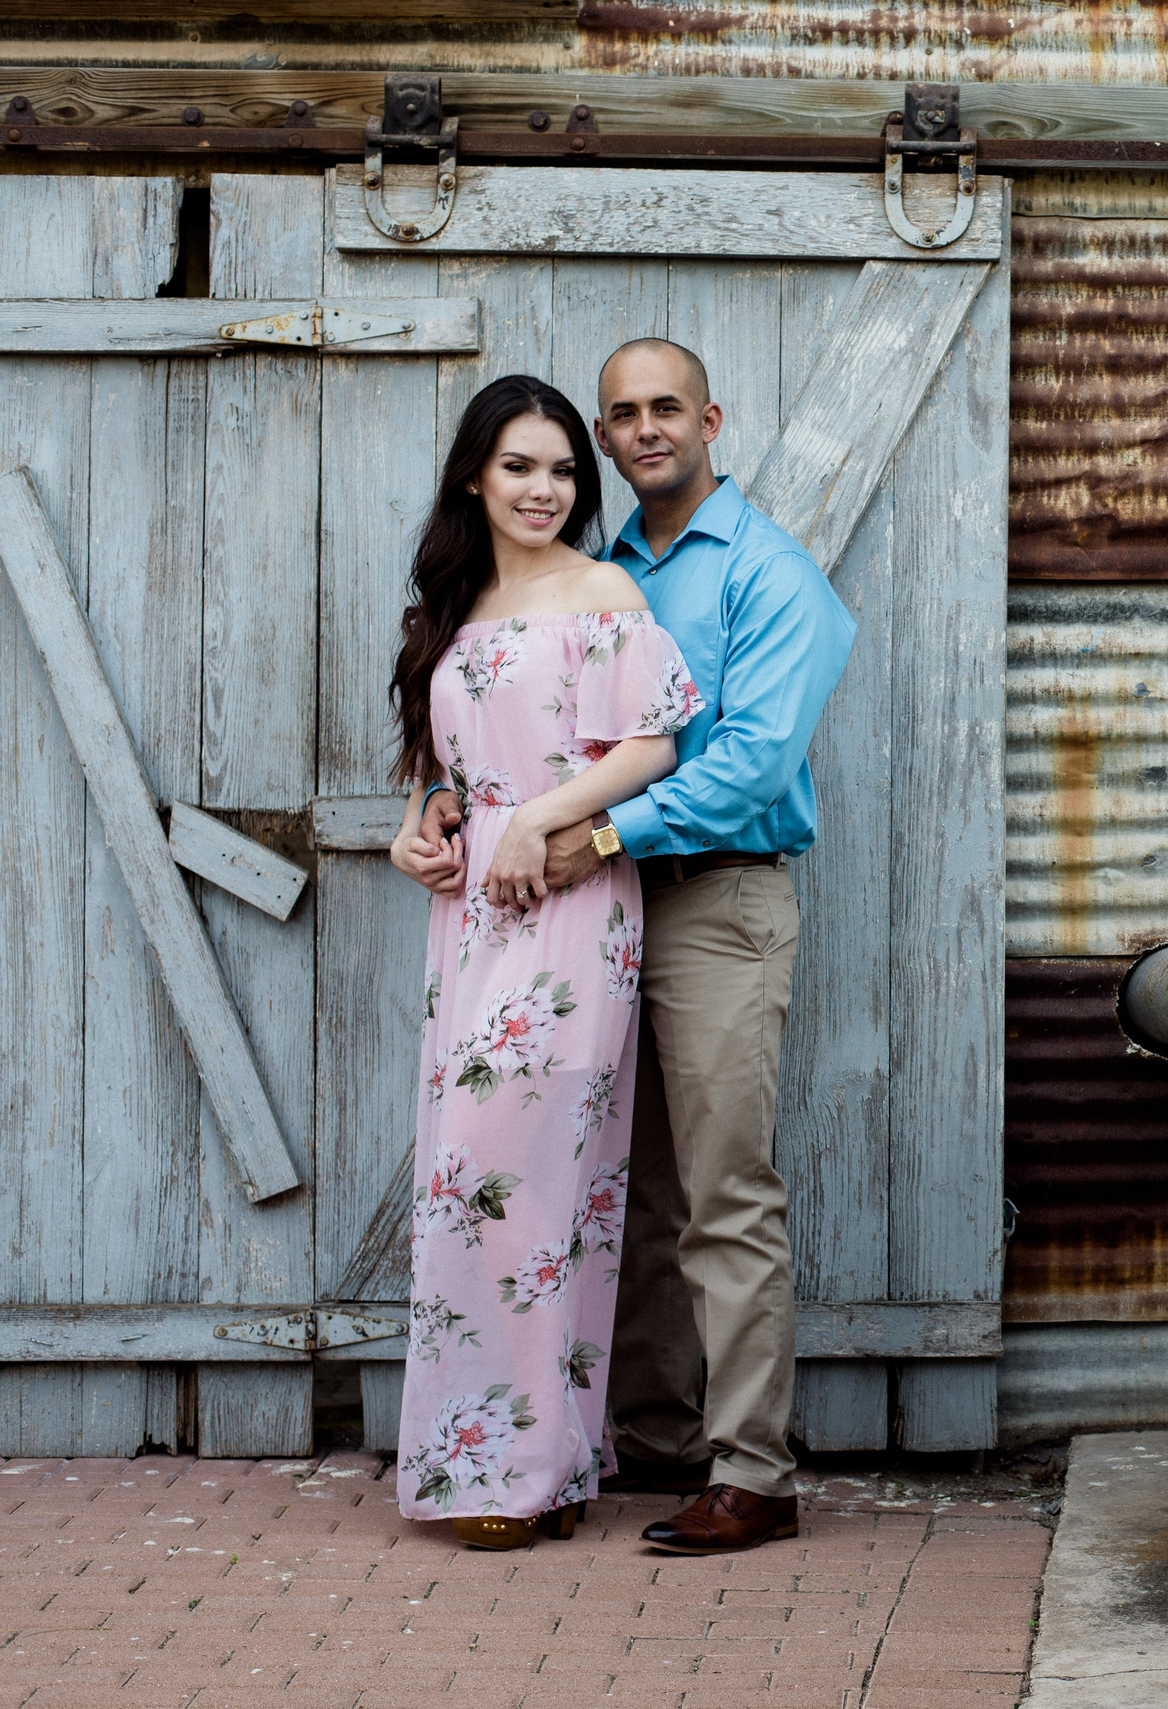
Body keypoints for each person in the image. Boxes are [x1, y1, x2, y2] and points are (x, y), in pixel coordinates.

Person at [534, 337, 855, 1555]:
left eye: (666, 406)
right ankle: (661, 1435)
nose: (645, 428)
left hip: (718, 903)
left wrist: (604, 821)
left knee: (725, 1192)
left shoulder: (770, 575)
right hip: (602, 902)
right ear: (604, 439)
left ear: (711, 417)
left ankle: (755, 1471)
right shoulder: (598, 573)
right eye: (623, 414)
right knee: (642, 1184)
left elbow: (755, 760)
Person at [384, 375, 705, 1551]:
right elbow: (445, 766)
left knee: (524, 1178)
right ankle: (530, 1462)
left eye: (564, 470)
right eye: (520, 466)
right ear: (475, 473)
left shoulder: (603, 588)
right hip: (469, 922)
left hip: (568, 906)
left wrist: (539, 816)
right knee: (471, 1182)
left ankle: (516, 1469)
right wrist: (423, 823)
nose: (544, 489)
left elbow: (655, 736)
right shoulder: (454, 603)